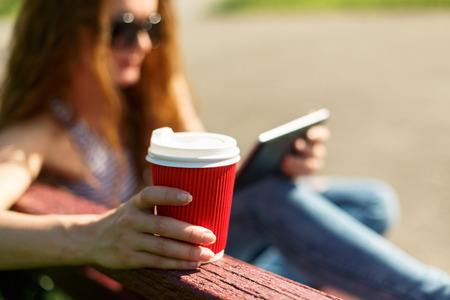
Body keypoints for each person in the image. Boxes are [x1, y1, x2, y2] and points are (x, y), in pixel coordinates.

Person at [0, 0, 448, 299]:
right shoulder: (40, 133)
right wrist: (92, 235)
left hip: (194, 255)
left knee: (370, 202)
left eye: (150, 26)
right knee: (267, 202)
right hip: (148, 282)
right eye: (121, 28)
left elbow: (216, 182)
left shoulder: (148, 98)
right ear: (61, 28)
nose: (141, 44)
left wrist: (281, 169)